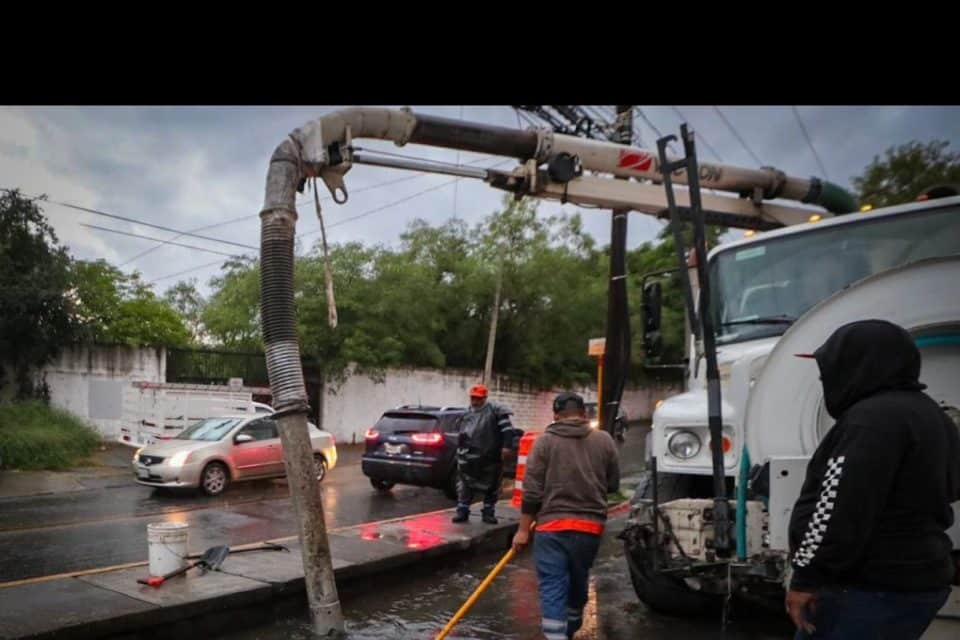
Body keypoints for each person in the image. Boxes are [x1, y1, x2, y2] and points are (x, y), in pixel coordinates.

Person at [786, 319, 960, 639]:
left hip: (867, 589)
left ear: (856, 366)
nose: (826, 378)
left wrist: (806, 578)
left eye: (830, 368)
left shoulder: (870, 422)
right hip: (920, 580)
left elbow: (837, 510)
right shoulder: (931, 414)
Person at [512, 391, 620, 640]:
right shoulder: (604, 440)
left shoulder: (544, 442)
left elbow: (532, 491)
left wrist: (523, 530)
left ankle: (557, 636)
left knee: (552, 586)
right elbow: (612, 484)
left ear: (555, 416)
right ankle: (571, 627)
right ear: (584, 414)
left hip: (551, 527)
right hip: (590, 528)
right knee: (578, 581)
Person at [452, 384, 516, 525]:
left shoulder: (495, 410)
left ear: (484, 398)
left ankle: (488, 513)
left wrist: (506, 447)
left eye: (478, 398)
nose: (475, 401)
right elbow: (461, 433)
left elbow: (507, 430)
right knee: (464, 484)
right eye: (473, 398)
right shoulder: (467, 413)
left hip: (489, 456)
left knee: (491, 485)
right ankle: (462, 511)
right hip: (468, 457)